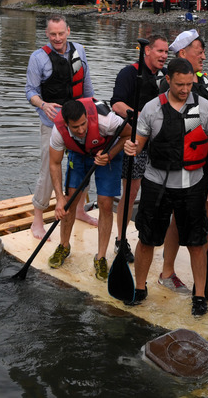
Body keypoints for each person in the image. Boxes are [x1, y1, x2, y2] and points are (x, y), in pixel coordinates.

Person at [122, 57, 208, 316]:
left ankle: (199, 296)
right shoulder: (152, 108)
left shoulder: (204, 107)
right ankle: (140, 287)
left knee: (197, 242)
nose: (185, 89)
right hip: (157, 184)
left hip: (193, 184)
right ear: (168, 80)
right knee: (147, 239)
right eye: (180, 84)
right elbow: (139, 144)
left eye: (189, 84)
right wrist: (132, 147)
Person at [157, 30, 208, 293]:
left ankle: (205, 248)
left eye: (203, 50)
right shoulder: (166, 83)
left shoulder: (201, 79)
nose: (203, 55)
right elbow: (174, 121)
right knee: (179, 219)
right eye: (198, 50)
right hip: (179, 160)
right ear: (182, 54)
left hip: (204, 156)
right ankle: (167, 271)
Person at [25, 15, 94, 240]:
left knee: (84, 164)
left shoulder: (80, 51)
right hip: (51, 123)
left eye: (61, 33)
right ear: (47, 34)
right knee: (48, 167)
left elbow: (86, 85)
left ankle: (81, 209)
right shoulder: (38, 58)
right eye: (53, 34)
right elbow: (30, 92)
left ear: (68, 31)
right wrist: (43, 105)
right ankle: (38, 218)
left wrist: (92, 113)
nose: (57, 38)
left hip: (78, 122)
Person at [47, 98, 130, 280]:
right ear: (67, 124)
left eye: (84, 124)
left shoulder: (106, 121)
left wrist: (109, 155)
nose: (82, 130)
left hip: (106, 152)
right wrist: (59, 198)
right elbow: (54, 163)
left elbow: (128, 134)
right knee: (69, 201)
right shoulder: (58, 131)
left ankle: (100, 257)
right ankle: (64, 246)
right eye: (75, 127)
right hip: (78, 153)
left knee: (105, 204)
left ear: (87, 117)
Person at [110, 35, 170, 262]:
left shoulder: (166, 77)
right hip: (136, 139)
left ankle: (153, 236)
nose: (164, 56)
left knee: (160, 192)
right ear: (147, 51)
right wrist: (140, 117)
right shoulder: (129, 73)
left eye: (166, 52)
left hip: (160, 143)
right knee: (132, 191)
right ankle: (120, 239)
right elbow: (116, 104)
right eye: (160, 51)